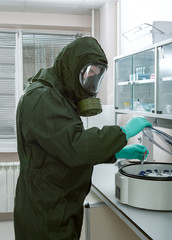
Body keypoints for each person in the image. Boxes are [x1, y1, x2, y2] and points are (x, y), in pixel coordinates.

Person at [14, 37, 152, 240]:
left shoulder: (58, 96)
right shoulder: (42, 97)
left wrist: (116, 152)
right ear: (71, 68)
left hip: (57, 203)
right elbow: (76, 146)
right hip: (46, 211)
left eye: (96, 77)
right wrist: (123, 133)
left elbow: (61, 147)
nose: (90, 82)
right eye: (87, 74)